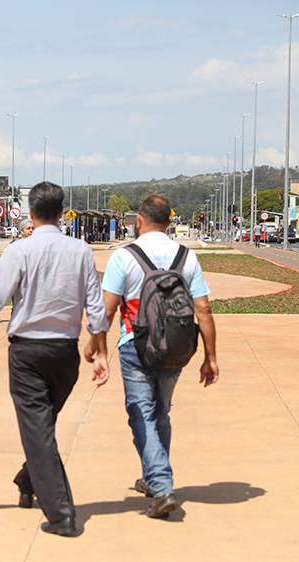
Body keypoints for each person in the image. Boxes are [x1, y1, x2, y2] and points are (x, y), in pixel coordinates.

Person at [0, 182, 110, 537]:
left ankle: (63, 514)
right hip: (66, 356)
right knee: (42, 428)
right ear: (63, 213)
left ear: (31, 213)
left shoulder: (20, 251)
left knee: (38, 431)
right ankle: (26, 480)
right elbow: (95, 302)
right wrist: (101, 351)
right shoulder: (80, 251)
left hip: (28, 355)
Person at [95, 194, 219, 519]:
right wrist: (210, 357)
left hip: (135, 346)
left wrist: (97, 349)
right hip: (176, 348)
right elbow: (203, 309)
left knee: (141, 415)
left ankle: (162, 486)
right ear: (169, 221)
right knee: (161, 413)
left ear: (139, 219)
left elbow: (107, 310)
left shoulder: (124, 257)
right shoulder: (187, 257)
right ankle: (152, 479)